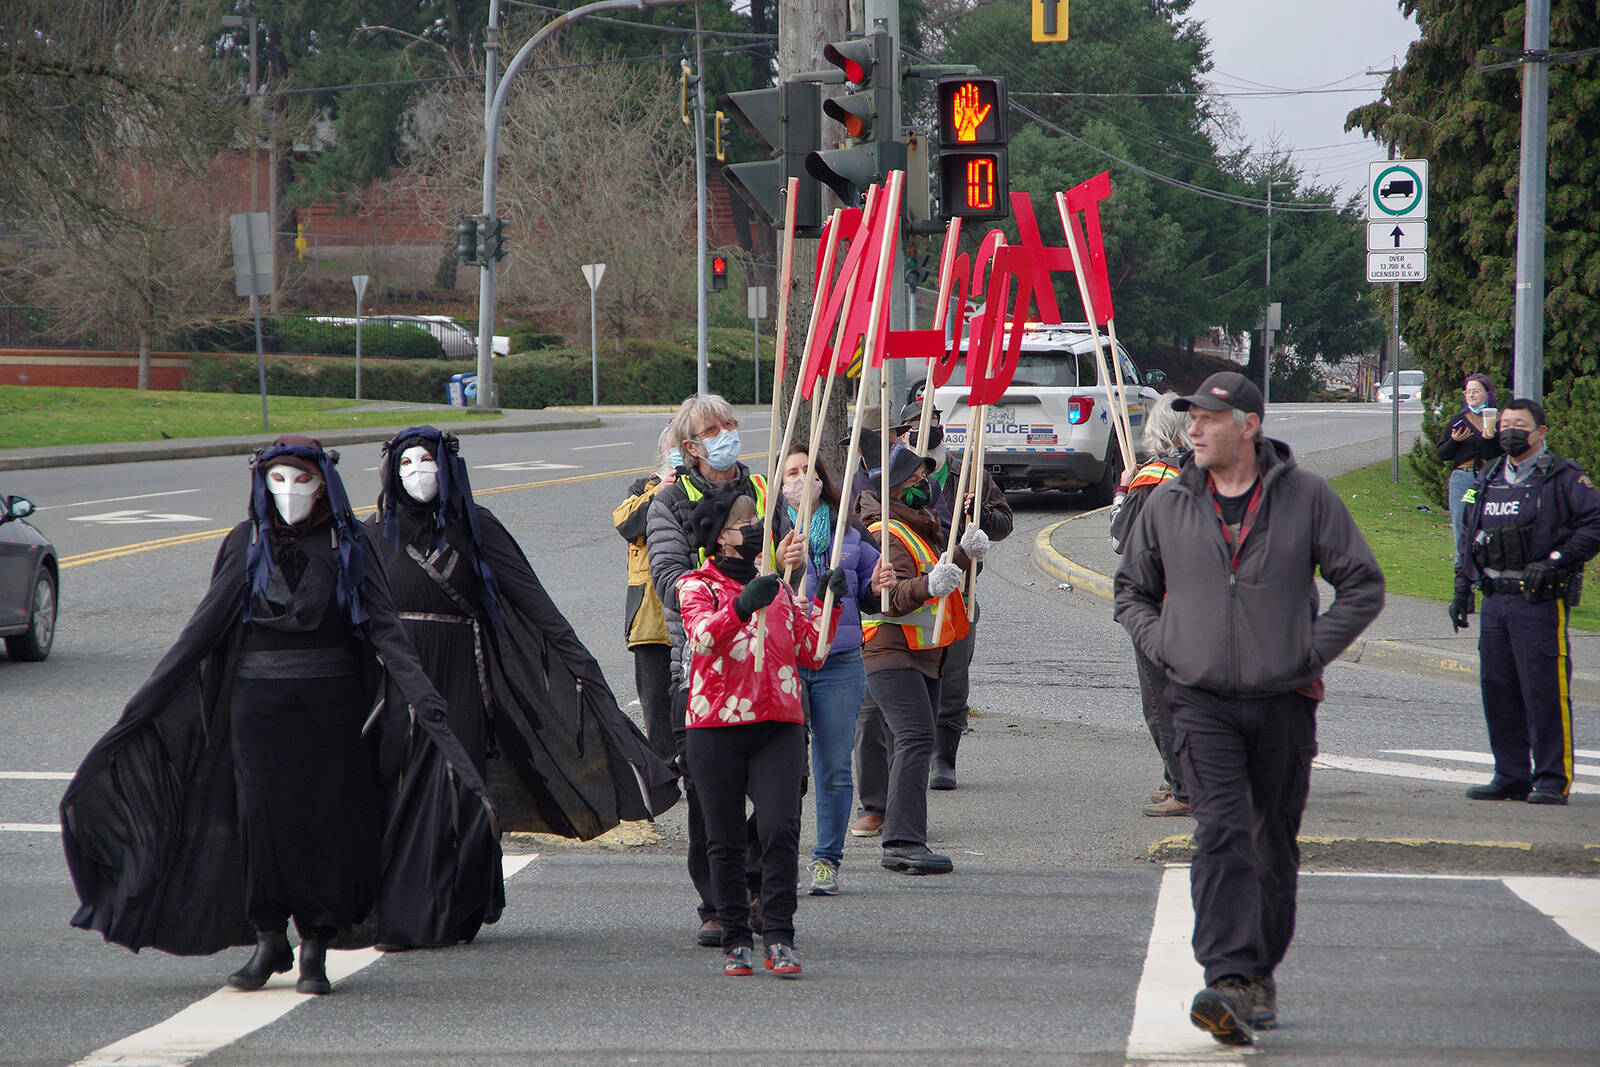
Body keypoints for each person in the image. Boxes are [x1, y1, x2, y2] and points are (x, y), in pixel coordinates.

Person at [60, 436, 502, 996]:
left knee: (326, 826)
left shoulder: (350, 545)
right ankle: (270, 939)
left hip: (331, 712)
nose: (289, 492)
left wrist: (426, 700)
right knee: (260, 825)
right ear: (260, 483)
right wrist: (141, 707)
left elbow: (385, 629)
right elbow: (202, 631)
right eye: (278, 480)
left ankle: (315, 945)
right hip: (256, 712)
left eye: (302, 480)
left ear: (324, 484)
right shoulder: (245, 544)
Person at [1113, 372, 1384, 1045]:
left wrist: (1306, 652)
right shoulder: (1171, 503)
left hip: (1284, 701)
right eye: (1192, 417)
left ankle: (1260, 971)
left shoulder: (1307, 498)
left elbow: (1362, 583)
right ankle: (1229, 977)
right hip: (1200, 701)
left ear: (1249, 426)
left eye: (1209, 417)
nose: (1194, 428)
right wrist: (1167, 644)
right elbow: (1130, 593)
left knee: (1271, 845)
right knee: (1223, 832)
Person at [365, 426, 679, 940]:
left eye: (426, 461)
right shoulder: (372, 533)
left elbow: (536, 605)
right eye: (404, 464)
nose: (416, 473)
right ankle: (405, 907)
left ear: (447, 468)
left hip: (461, 675)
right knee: (399, 788)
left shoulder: (476, 527)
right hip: (395, 677)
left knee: (457, 786)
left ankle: (459, 901)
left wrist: (583, 669)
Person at [646, 394, 802, 946]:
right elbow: (667, 574)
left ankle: (758, 886)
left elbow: (785, 558)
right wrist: (722, 583)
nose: (726, 433)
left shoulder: (761, 488)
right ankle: (718, 901)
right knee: (711, 794)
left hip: (768, 665)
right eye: (713, 428)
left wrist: (791, 563)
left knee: (783, 791)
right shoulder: (671, 500)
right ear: (691, 445)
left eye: (731, 423)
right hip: (703, 665)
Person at [678, 494, 842, 978]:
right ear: (717, 536)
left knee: (779, 829)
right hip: (715, 726)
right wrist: (741, 607)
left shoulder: (782, 589)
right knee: (723, 838)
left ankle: (779, 937)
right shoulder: (696, 584)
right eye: (740, 522)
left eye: (755, 521)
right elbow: (702, 637)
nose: (752, 528)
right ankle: (734, 939)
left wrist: (831, 601)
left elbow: (813, 653)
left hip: (779, 723)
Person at [1450, 398, 1600, 806]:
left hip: (1537, 601)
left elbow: (1593, 525)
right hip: (1496, 600)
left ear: (1541, 432)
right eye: (1504, 423)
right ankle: (1511, 774)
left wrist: (1556, 561)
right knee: (1498, 689)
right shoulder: (1490, 475)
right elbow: (1470, 534)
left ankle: (1552, 778)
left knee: (1544, 691)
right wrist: (1463, 587)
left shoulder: (1564, 477)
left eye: (1519, 424)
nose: (1510, 430)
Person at [856, 443, 982, 875]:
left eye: (924, 478)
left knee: (912, 741)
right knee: (914, 739)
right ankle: (903, 841)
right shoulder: (885, 532)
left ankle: (906, 834)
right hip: (891, 652)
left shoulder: (919, 528)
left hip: (924, 654)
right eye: (913, 479)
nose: (923, 484)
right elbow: (890, 600)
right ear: (892, 488)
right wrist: (930, 585)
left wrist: (965, 552)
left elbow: (941, 578)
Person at [771, 444, 880, 896]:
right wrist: (778, 565)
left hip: (839, 662)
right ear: (779, 485)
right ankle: (775, 859)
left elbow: (874, 597)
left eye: (806, 470)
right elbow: (742, 592)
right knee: (781, 770)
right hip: (786, 664)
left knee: (834, 767)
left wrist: (879, 583)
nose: (799, 478)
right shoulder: (767, 532)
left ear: (821, 477)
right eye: (790, 472)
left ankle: (826, 860)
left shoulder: (849, 533)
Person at [895, 400, 1013, 790]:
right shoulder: (885, 473)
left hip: (959, 588)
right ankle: (907, 749)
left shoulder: (966, 472)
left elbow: (1003, 524)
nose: (928, 427)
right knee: (905, 672)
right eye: (918, 422)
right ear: (903, 431)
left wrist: (979, 513)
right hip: (905, 587)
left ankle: (944, 756)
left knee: (954, 673)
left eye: (934, 419)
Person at [1107, 392, 1195, 817]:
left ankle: (1184, 787)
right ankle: (1178, 777)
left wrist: (1124, 486)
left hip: (1157, 609)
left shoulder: (1152, 478)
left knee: (1161, 703)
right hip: (1203, 606)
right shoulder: (1208, 473)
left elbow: (1120, 538)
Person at [614, 423, 683, 760]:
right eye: (674, 446)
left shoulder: (704, 489)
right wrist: (660, 493)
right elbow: (625, 524)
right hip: (651, 622)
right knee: (655, 701)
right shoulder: (644, 489)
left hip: (692, 615)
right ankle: (664, 771)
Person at [1436, 373, 1502, 566]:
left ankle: (1487, 571)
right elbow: (1442, 454)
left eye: (1476, 391)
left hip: (1490, 480)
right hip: (1463, 480)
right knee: (1462, 526)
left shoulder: (1497, 418)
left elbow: (1503, 455)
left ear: (1487, 394)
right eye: (1468, 392)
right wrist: (1455, 441)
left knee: (1490, 525)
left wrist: (1491, 439)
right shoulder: (1460, 420)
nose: (1471, 395)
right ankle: (1463, 575)